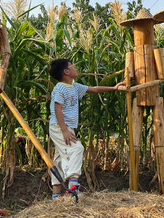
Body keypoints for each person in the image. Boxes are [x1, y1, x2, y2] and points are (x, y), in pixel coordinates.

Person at [48, 59, 125, 199]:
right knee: (76, 149)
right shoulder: (59, 88)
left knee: (59, 159)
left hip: (66, 127)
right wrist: (64, 130)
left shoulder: (74, 86)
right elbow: (57, 108)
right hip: (59, 127)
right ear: (66, 72)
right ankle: (73, 187)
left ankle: (56, 195)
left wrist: (114, 88)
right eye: (73, 66)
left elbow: (94, 89)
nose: (75, 68)